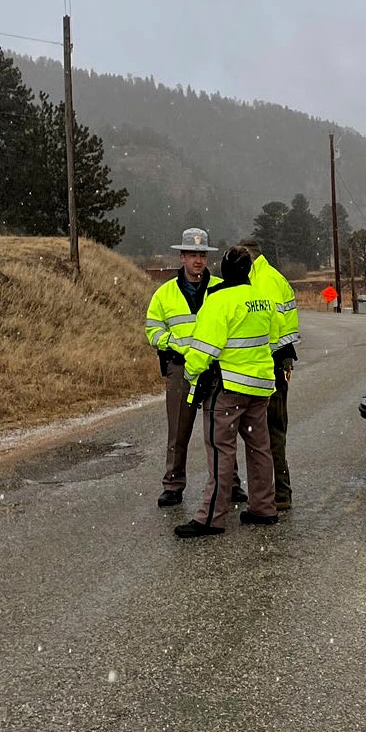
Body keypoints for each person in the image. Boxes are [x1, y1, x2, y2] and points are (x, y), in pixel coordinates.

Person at [174, 245, 279, 538]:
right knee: (260, 449)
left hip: (228, 390)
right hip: (260, 388)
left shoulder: (219, 301)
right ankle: (263, 508)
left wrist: (190, 373)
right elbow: (274, 336)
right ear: (248, 270)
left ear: (224, 270)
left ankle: (211, 518)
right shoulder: (263, 299)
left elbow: (204, 349)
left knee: (221, 451)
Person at [144, 228, 236, 509]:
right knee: (179, 429)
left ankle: (230, 483)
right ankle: (173, 485)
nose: (198, 260)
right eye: (192, 255)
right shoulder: (164, 294)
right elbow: (153, 329)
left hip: (215, 368)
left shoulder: (221, 288)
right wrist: (173, 344)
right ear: (182, 257)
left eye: (202, 255)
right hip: (180, 368)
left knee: (221, 431)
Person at [245, 240, 302, 511]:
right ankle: (278, 492)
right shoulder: (274, 277)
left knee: (269, 432)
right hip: (279, 361)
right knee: (273, 430)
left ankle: (277, 493)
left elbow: (266, 329)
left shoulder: (262, 281)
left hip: (267, 365)